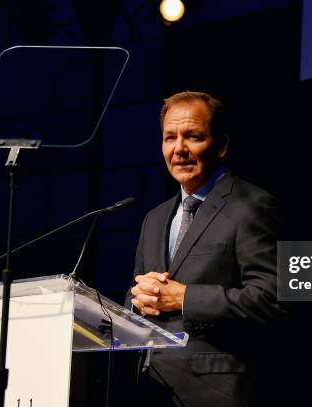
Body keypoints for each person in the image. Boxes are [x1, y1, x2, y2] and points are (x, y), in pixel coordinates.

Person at [126, 91, 284, 406]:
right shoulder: (154, 219)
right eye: (170, 137)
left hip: (217, 392)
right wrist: (136, 301)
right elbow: (137, 295)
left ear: (221, 145)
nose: (179, 149)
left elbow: (273, 299)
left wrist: (185, 297)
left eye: (193, 137)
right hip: (152, 388)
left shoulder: (252, 205)